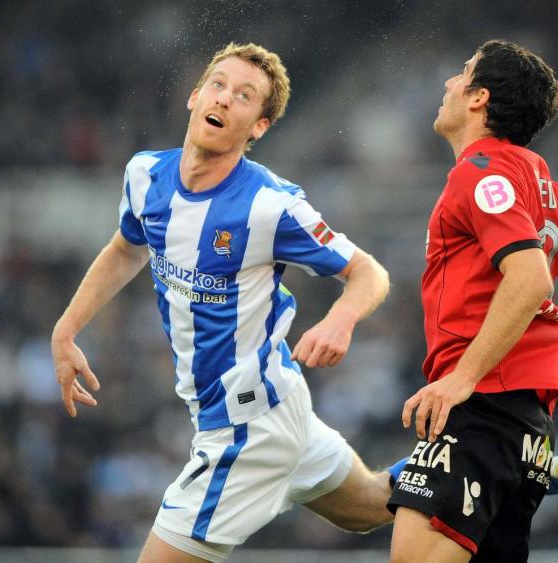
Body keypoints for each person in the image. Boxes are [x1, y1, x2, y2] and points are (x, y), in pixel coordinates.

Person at [51, 42, 395, 563]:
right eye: (218, 84)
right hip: (280, 404)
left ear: (258, 126)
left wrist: (340, 321)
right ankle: (517, 467)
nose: (225, 98)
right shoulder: (145, 175)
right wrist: (66, 329)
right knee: (370, 505)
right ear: (194, 96)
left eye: (244, 95)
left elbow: (368, 272)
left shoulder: (270, 205)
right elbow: (127, 247)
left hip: (247, 427)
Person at [387, 39, 558, 563]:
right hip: (526, 427)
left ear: (479, 98)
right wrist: (523, 356)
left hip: (482, 411)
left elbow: (529, 279)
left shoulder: (480, 173)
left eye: (462, 73)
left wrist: (466, 375)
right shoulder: (548, 189)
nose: (450, 83)